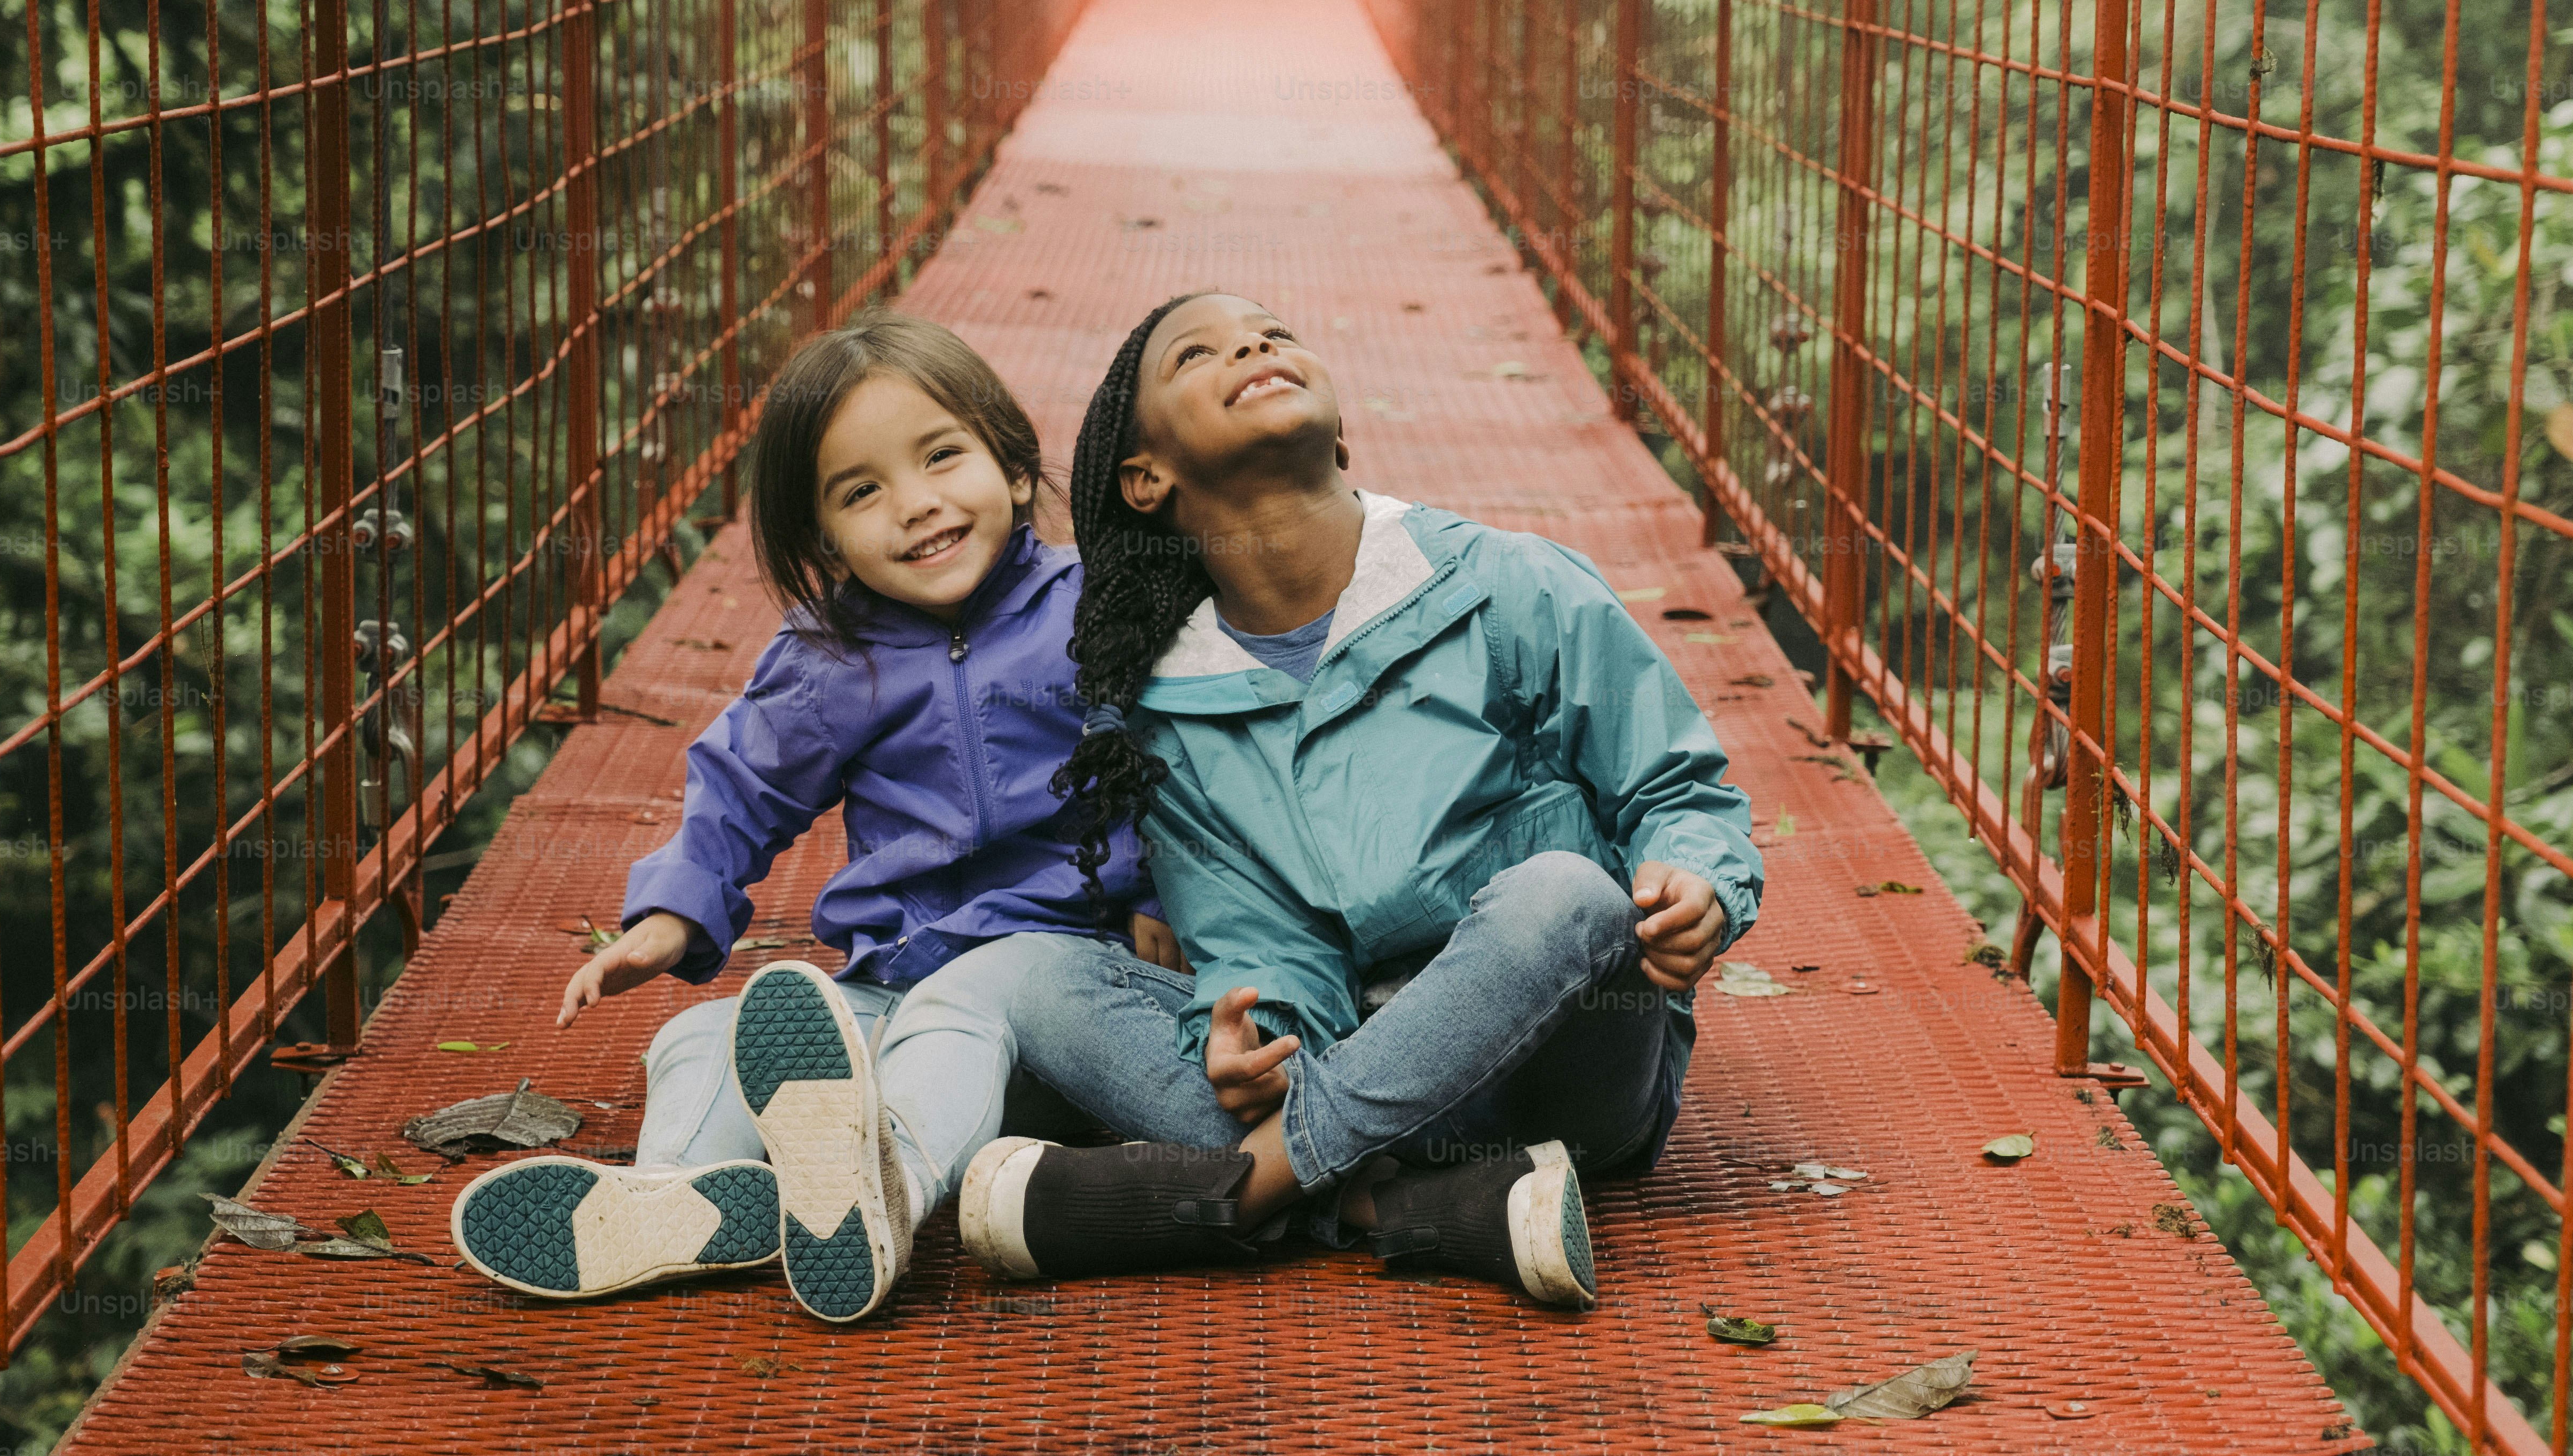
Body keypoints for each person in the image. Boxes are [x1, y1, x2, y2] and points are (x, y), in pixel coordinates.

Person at [952, 292, 1762, 1309]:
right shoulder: (1173, 718)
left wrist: (1699, 880)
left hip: (1565, 1075)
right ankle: (1415, 1208)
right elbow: (1258, 940)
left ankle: (1248, 1192)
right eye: (1196, 354)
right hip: (1367, 1072)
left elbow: (1679, 787)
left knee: (1565, 892)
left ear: (1338, 430)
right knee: (1045, 981)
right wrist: (1256, 1035)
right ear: (1145, 477)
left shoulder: (1508, 586)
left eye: (1276, 332)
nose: (1254, 343)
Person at [450, 310, 1179, 1322]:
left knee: (982, 999)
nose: (915, 507)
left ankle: (889, 1187)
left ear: (1014, 469)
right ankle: (679, 1198)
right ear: (823, 535)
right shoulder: (835, 659)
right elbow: (742, 782)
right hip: (901, 975)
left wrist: (1165, 896)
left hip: (1067, 986)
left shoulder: (1091, 608)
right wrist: (673, 914)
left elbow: (1181, 760)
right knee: (712, 1033)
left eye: (941, 458)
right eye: (862, 492)